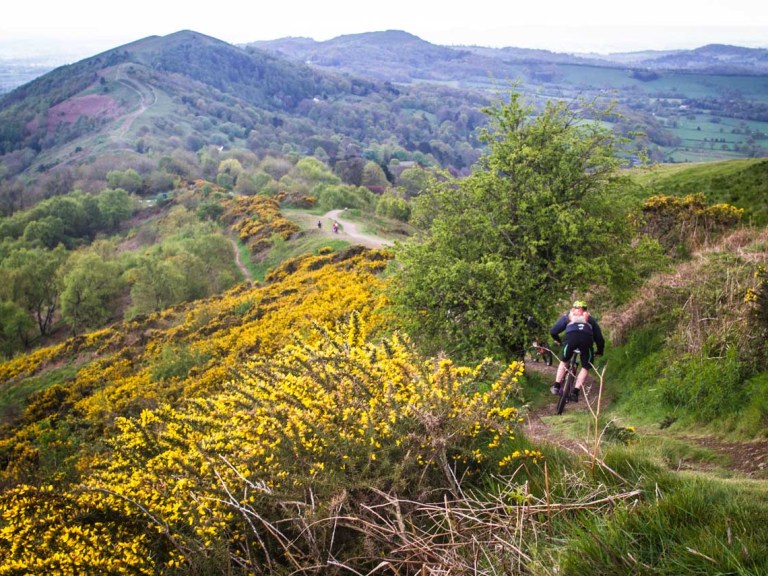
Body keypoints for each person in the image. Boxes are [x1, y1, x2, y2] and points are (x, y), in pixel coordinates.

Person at [549, 300, 604, 402]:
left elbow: (553, 331)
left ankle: (556, 386)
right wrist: (600, 351)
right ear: (585, 310)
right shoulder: (590, 319)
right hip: (586, 341)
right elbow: (599, 338)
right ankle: (575, 392)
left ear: (573, 308)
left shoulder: (568, 316)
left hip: (571, 339)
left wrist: (559, 341)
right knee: (585, 367)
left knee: (564, 361)